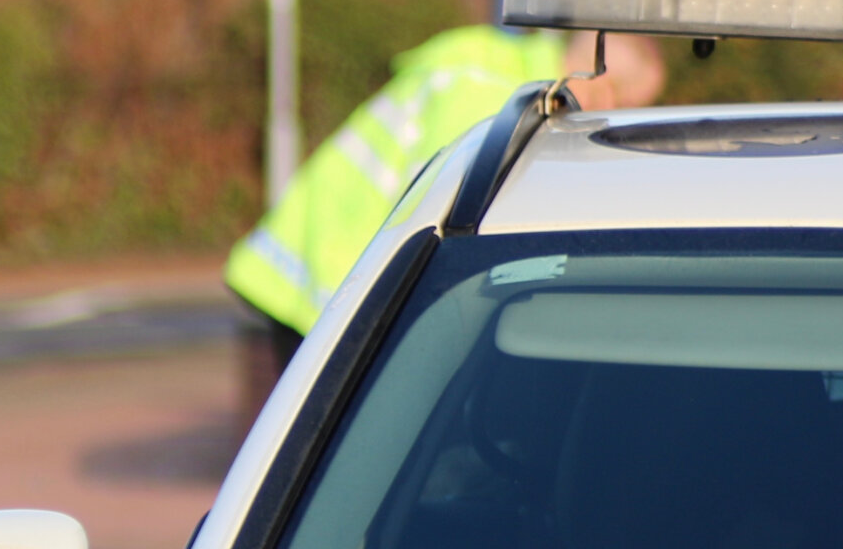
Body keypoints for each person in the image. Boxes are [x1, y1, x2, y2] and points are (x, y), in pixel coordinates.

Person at [224, 23, 665, 409]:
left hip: (313, 271)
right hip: (324, 285)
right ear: (604, 87)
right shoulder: (496, 98)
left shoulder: (502, 70)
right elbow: (449, 223)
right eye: (626, 107)